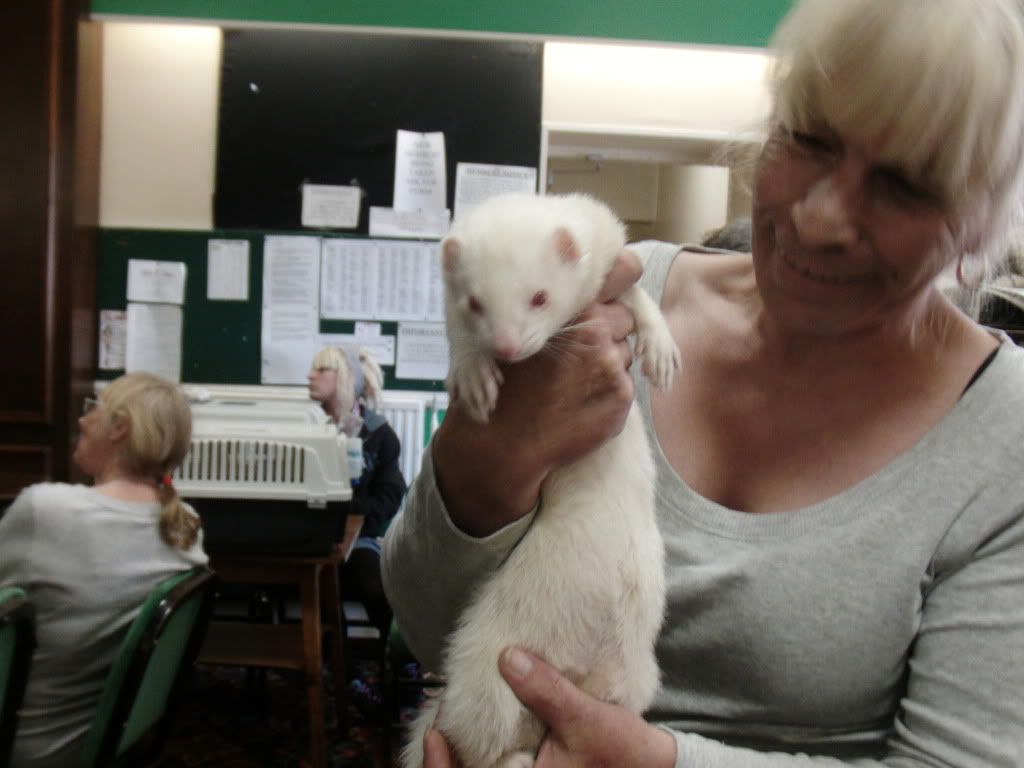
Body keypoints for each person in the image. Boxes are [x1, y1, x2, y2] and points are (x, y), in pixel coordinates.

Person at [381, 0, 1024, 765]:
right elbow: (424, 622)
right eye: (809, 140)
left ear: (982, 222)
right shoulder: (611, 307)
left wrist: (658, 761)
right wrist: (490, 459)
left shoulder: (1001, 440)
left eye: (905, 183)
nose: (820, 221)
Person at [0, 373, 208, 768]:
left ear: (120, 427)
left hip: (25, 743)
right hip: (112, 743)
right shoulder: (186, 527)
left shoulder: (46, 511)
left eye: (92, 408)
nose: (81, 421)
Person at [308, 345, 406, 637]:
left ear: (345, 379)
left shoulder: (379, 434)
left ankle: (402, 656)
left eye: (321, 369)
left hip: (362, 538)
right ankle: (333, 663)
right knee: (314, 586)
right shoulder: (305, 428)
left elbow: (388, 499)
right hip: (311, 539)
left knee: (372, 585)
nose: (309, 376)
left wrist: (345, 509)